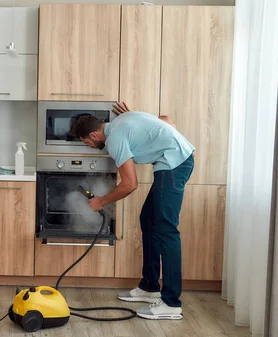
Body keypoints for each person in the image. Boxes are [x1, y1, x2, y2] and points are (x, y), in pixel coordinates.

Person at [71, 101, 195, 320]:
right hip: (173, 162)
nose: (89, 146)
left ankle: (171, 303)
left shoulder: (115, 138)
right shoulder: (122, 121)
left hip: (175, 165)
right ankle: (149, 286)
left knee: (166, 229)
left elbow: (130, 184)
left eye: (86, 142)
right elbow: (167, 121)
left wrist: (101, 202)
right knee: (148, 219)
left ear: (94, 134)